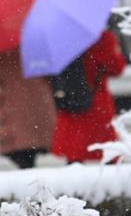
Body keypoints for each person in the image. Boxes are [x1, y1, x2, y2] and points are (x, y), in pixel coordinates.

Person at [50, 30, 126, 164]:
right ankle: (112, 184)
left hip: (71, 98)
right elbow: (116, 68)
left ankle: (75, 184)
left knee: (74, 154)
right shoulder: (101, 38)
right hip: (96, 100)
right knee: (108, 152)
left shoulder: (63, 38)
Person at [0, 49, 57, 169]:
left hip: (15, 107)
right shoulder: (37, 50)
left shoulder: (5, 53)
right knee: (31, 146)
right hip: (38, 104)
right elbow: (50, 76)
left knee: (21, 151)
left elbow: (1, 80)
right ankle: (30, 178)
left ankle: (27, 179)